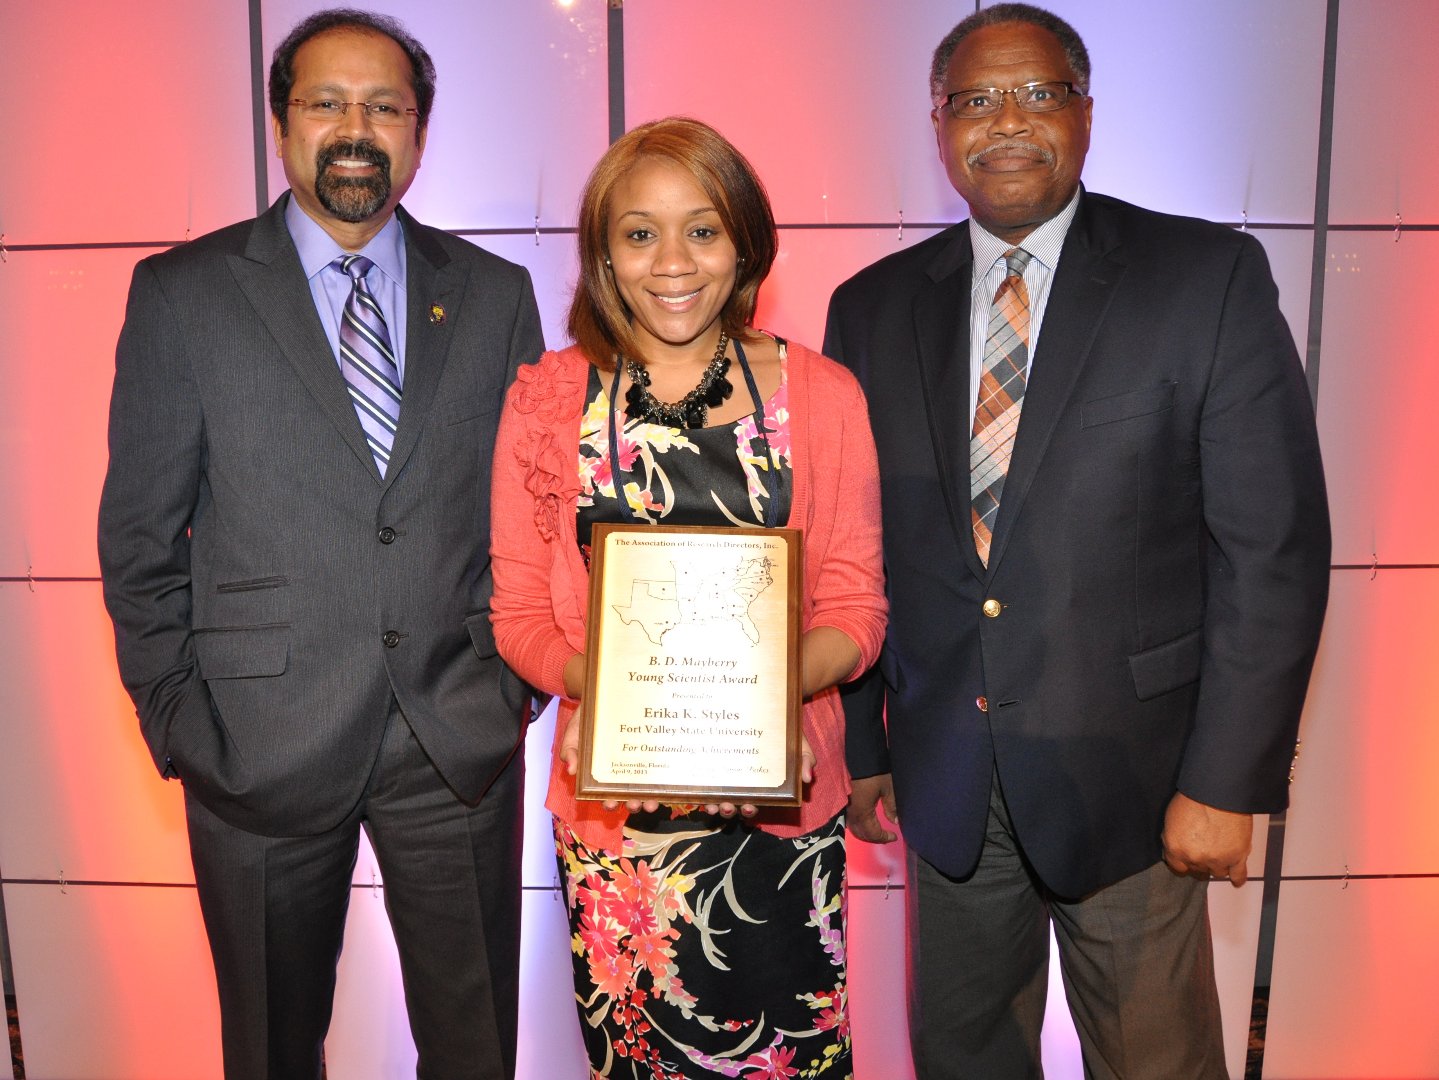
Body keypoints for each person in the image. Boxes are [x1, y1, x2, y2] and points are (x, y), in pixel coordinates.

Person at [824, 5, 1330, 1077]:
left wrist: (1226, 779)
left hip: (1137, 787)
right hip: (946, 782)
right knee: (961, 1060)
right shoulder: (867, 310)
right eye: (973, 99)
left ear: (1085, 112)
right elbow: (856, 548)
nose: (1003, 122)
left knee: (1155, 1062)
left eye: (1035, 93)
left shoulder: (1204, 279)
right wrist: (862, 749)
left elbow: (1270, 549)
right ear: (938, 124)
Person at [97, 10, 542, 1077]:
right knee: (269, 1049)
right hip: (256, 744)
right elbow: (139, 538)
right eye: (326, 104)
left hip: (453, 741)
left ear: (420, 132)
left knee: (475, 1048)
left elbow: (532, 515)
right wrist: (182, 725)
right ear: (281, 124)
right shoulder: (183, 294)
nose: (356, 129)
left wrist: (513, 689)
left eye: (384, 106)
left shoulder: (493, 295)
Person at [489, 116, 886, 1078]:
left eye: (702, 229)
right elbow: (519, 618)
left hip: (781, 813)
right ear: (603, 255)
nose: (672, 261)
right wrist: (604, 693)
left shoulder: (824, 394)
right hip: (618, 825)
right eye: (638, 233)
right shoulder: (548, 400)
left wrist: (765, 697)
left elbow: (856, 607)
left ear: (745, 241)